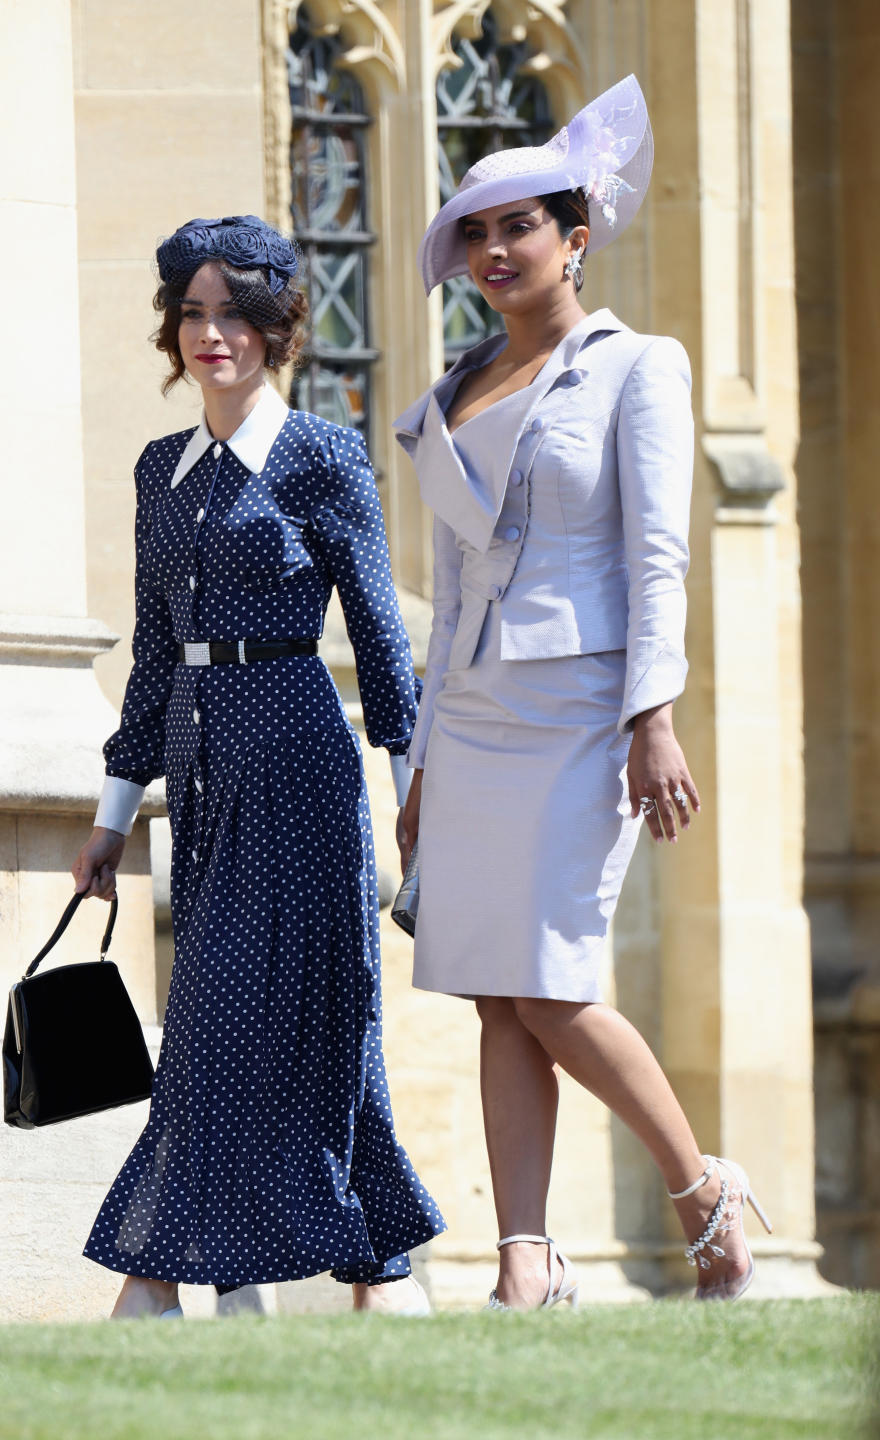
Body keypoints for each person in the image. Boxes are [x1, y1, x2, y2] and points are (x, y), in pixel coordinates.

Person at [394, 77, 771, 1308]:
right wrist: (421, 761)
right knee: (496, 988)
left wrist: (650, 720)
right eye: (479, 234)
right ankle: (525, 1263)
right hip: (473, 722)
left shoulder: (638, 368)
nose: (497, 252)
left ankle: (701, 1190)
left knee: (551, 982)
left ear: (576, 235)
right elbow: (447, 597)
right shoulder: (453, 392)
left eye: (521, 228)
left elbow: (656, 556)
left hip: (581, 716)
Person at [72, 214, 444, 1318]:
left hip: (298, 762)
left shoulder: (324, 456)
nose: (211, 333)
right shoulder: (160, 470)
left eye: (234, 312)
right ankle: (366, 1271)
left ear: (276, 326)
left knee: (257, 1018)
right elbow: (150, 656)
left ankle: (169, 1281)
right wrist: (110, 813)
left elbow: (381, 641)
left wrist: (413, 797)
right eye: (192, 311)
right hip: (200, 773)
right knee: (246, 1022)